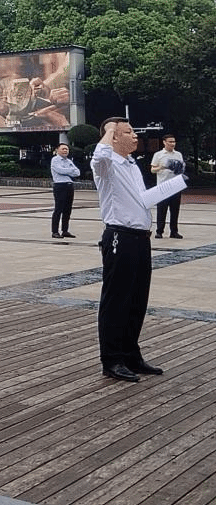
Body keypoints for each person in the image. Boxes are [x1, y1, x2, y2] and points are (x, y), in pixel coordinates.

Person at [91, 117, 187, 382]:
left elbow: (141, 200)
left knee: (136, 300)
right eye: (128, 132)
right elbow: (99, 156)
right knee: (116, 301)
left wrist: (174, 183)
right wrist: (110, 128)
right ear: (113, 136)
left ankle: (131, 355)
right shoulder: (107, 164)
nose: (135, 136)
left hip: (140, 238)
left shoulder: (131, 164)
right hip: (119, 237)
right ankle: (112, 360)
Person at [151, 134, 185, 239]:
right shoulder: (158, 155)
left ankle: (174, 231)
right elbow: (152, 170)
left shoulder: (178, 154)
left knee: (175, 210)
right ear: (164, 142)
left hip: (175, 185)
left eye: (174, 142)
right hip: (163, 186)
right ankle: (159, 231)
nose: (172, 144)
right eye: (170, 142)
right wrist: (162, 167)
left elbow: (181, 168)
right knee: (162, 210)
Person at [50, 143, 80, 239]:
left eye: (67, 149)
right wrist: (70, 171)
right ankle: (55, 231)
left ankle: (65, 230)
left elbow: (77, 172)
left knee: (68, 209)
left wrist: (67, 171)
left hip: (69, 186)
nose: (65, 151)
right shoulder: (55, 160)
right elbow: (60, 171)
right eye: (63, 149)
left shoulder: (69, 161)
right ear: (57, 150)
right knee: (58, 209)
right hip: (60, 186)